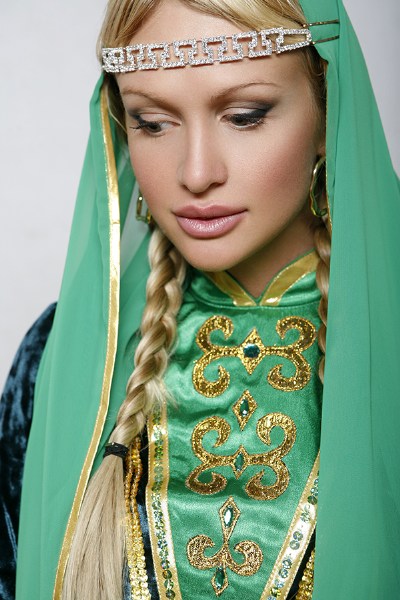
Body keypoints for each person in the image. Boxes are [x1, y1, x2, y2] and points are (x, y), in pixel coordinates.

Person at [1, 0, 399, 599]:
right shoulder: (61, 359)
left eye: (243, 116)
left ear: (328, 111)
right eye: (152, 123)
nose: (195, 172)